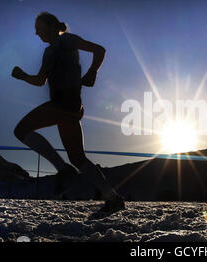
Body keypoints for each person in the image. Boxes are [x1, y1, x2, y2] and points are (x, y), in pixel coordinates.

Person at [11, 12, 124, 216]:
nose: (36, 33)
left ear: (52, 26)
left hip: (66, 103)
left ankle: (63, 170)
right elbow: (40, 81)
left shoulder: (67, 39)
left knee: (21, 130)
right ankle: (113, 198)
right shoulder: (48, 52)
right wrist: (23, 76)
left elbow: (99, 50)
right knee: (78, 158)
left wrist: (92, 72)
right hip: (65, 106)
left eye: (39, 28)